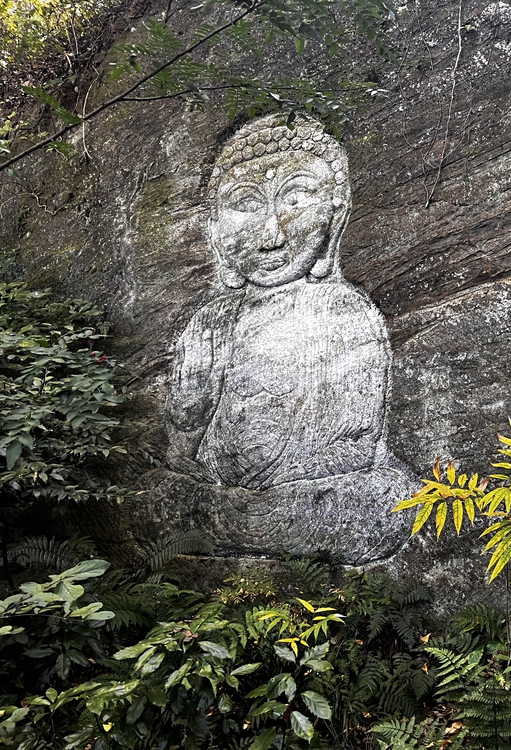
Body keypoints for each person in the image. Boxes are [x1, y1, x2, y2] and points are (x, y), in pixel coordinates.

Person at [155, 114, 415, 563]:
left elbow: (353, 447)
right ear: (215, 227)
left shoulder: (345, 312)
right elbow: (181, 447)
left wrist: (268, 493)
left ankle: (248, 525)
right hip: (219, 493)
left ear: (335, 216)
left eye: (295, 198)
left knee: (388, 500)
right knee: (155, 497)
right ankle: (243, 523)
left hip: (313, 497)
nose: (272, 235)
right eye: (246, 204)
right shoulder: (211, 321)